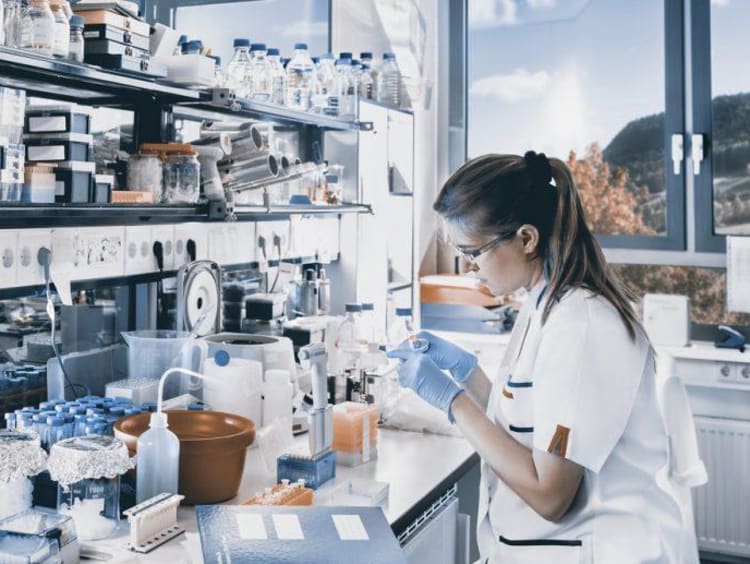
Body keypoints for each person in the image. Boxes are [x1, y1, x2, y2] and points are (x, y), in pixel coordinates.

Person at [387, 152, 700, 563]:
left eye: (472, 252)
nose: (467, 270)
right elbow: (528, 426)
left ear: (527, 238)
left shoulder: (581, 324)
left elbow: (550, 495)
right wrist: (468, 375)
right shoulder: (543, 303)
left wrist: (453, 402)